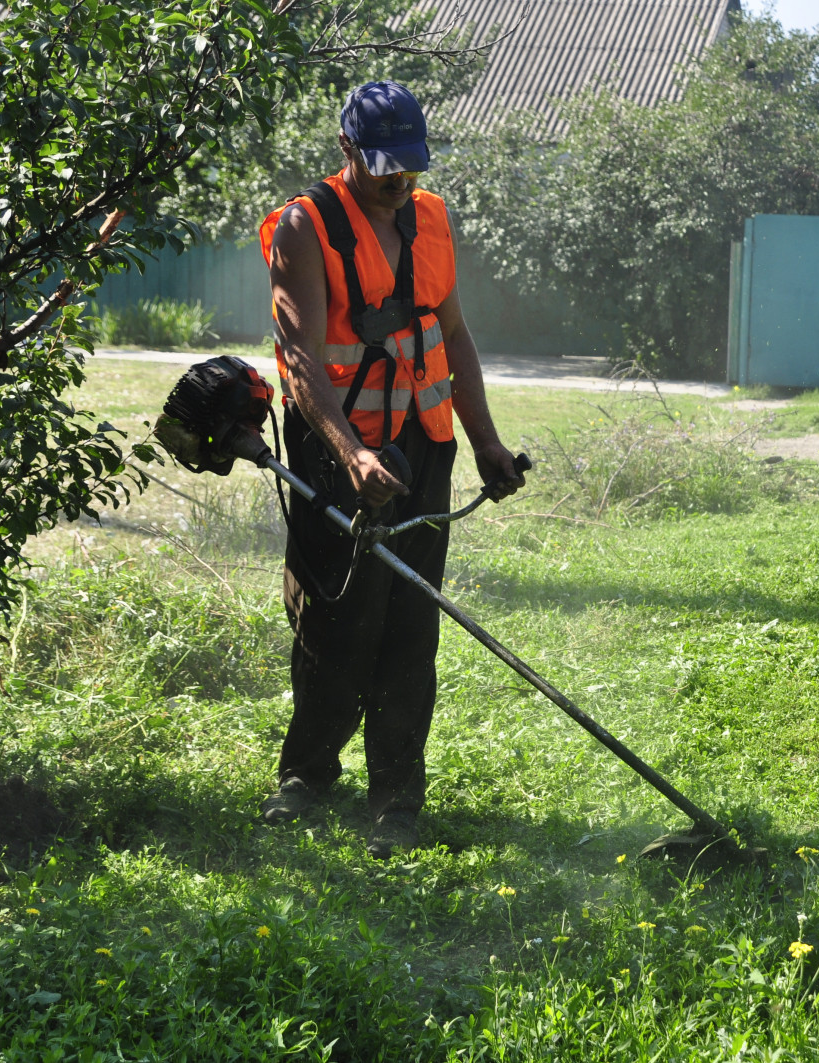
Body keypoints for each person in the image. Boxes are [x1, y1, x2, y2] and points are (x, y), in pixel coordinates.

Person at [255, 81, 523, 858]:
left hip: (421, 448)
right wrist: (351, 453)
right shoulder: (305, 227)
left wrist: (486, 441)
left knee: (410, 621)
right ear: (346, 151)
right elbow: (302, 361)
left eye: (409, 166)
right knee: (335, 616)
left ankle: (396, 802)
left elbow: (455, 334)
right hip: (336, 448)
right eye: (382, 167)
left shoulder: (433, 217)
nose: (398, 181)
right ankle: (307, 776)